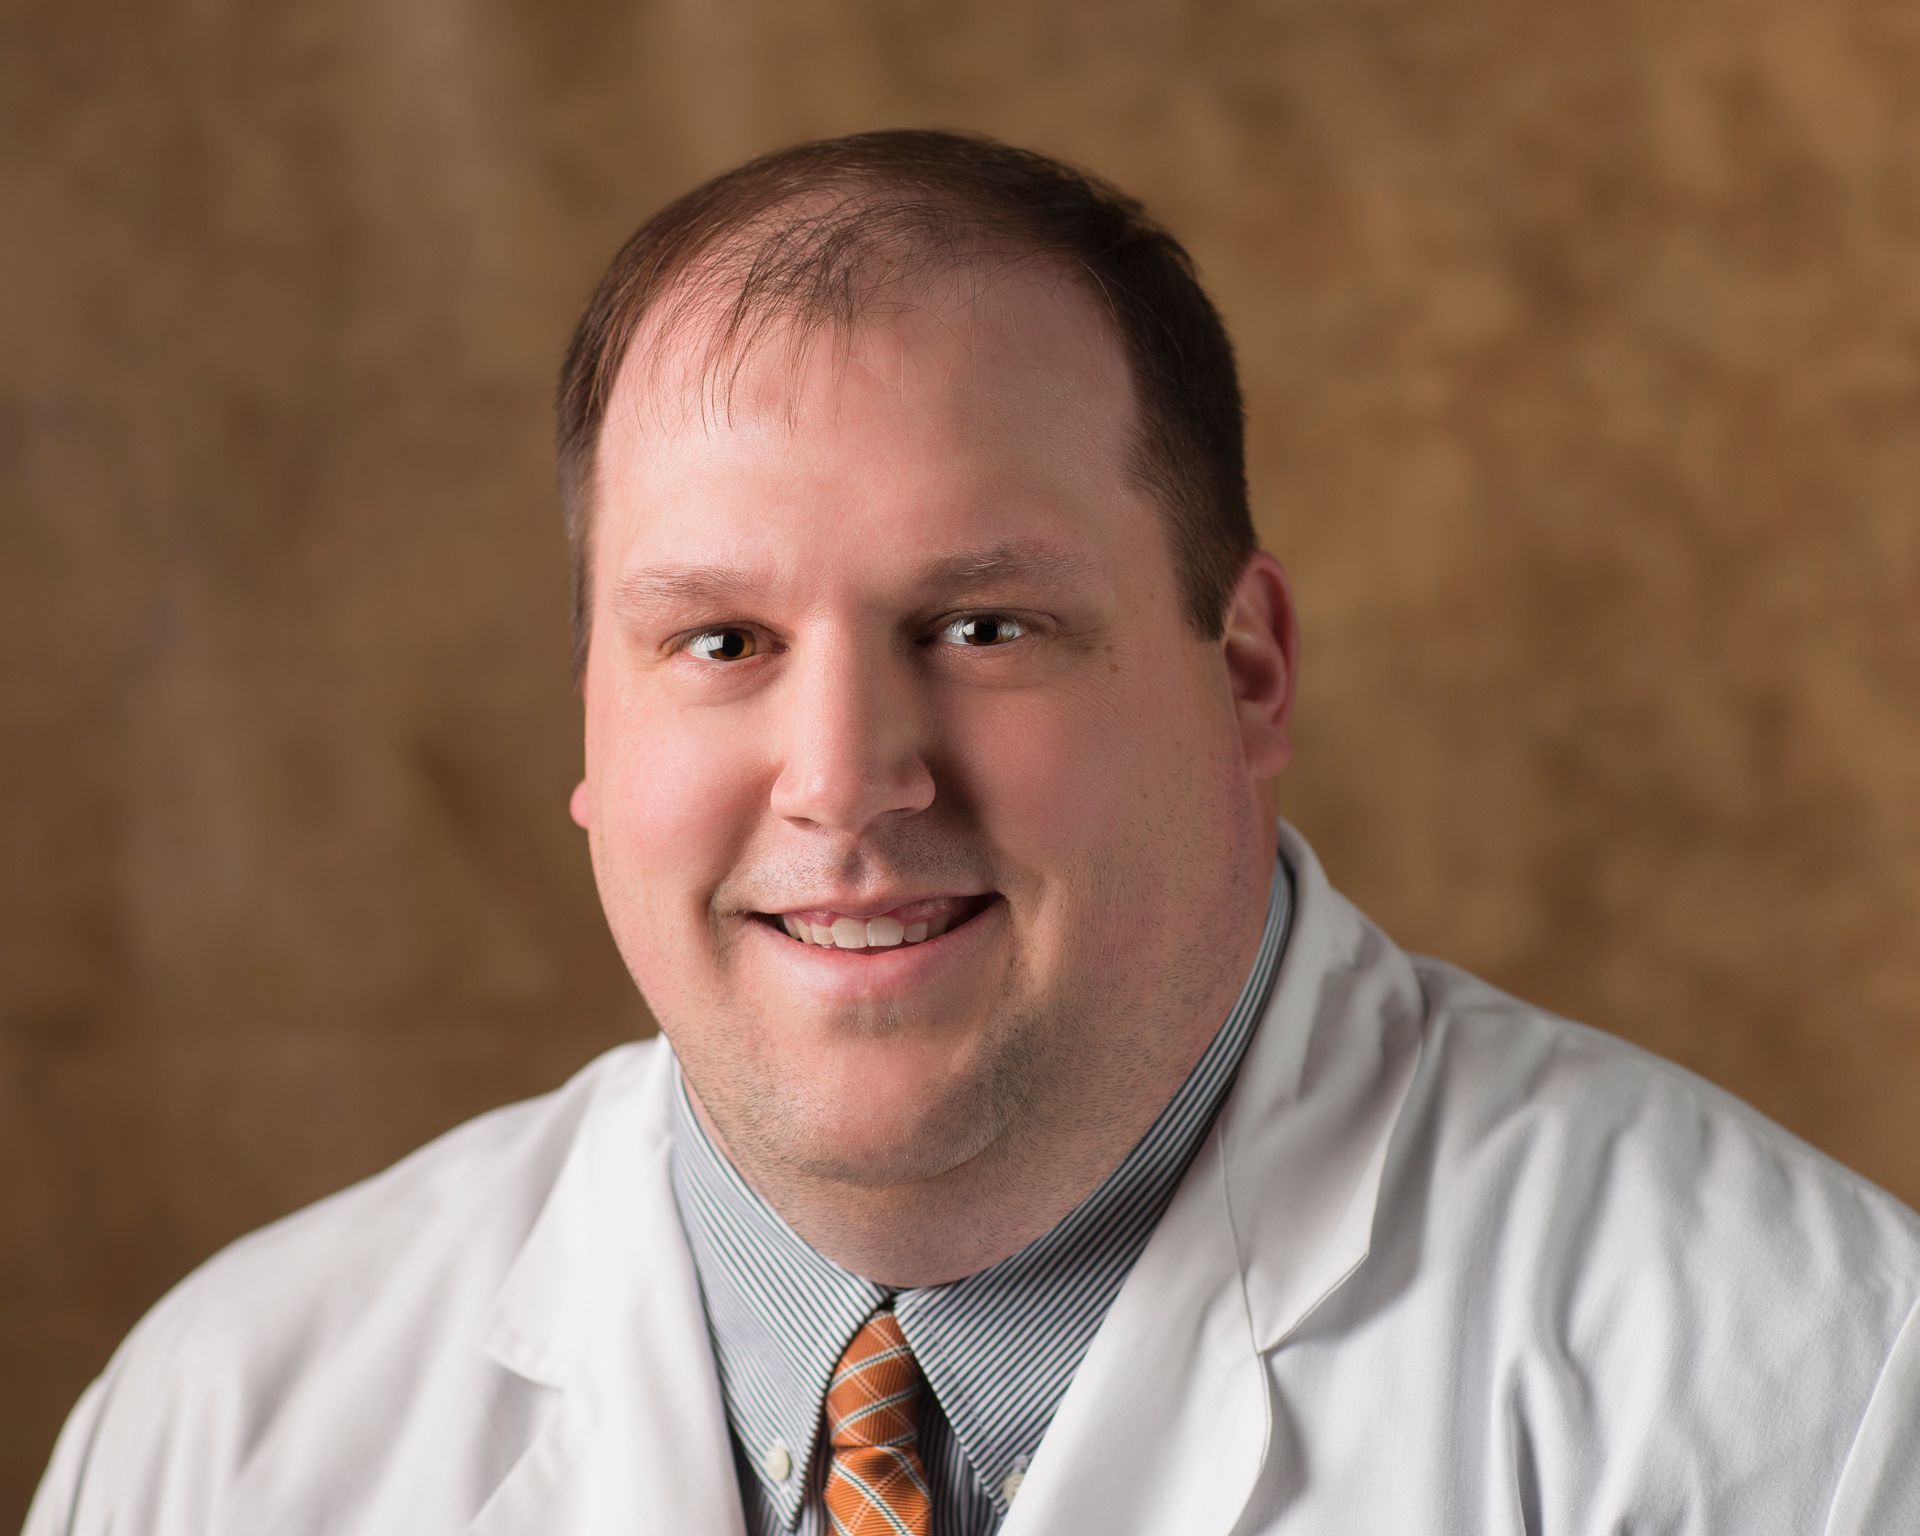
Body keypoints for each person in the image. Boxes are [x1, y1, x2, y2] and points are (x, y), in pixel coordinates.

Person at [26, 128, 1920, 1536]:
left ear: (1249, 672)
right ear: (591, 720)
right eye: (721, 642)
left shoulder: (1802, 1402)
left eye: (983, 626)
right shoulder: (226, 1434)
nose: (846, 779)